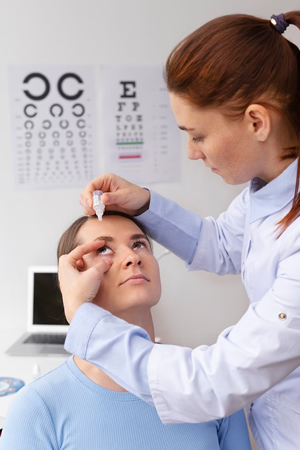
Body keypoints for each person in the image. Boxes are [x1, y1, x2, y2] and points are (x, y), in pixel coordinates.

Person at [58, 10, 300, 450]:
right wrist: (145, 205)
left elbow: (209, 386)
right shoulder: (42, 407)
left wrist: (86, 320)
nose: (191, 152)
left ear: (256, 122)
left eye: (198, 135)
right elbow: (222, 244)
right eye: (105, 249)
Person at [0, 212, 251, 450]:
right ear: (72, 278)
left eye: (139, 244)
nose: (133, 257)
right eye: (103, 249)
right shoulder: (37, 406)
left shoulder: (210, 381)